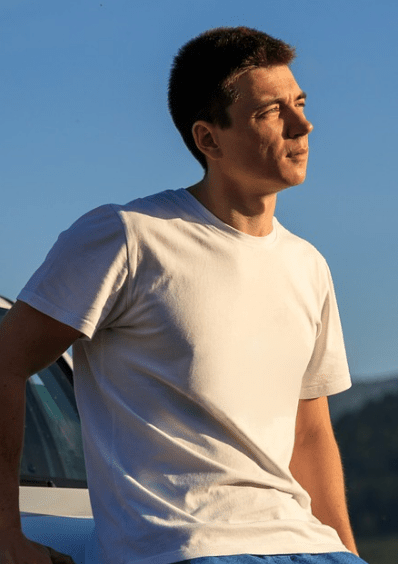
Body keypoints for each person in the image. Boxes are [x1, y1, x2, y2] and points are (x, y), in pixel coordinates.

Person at [0, 26, 365, 564]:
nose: (303, 125)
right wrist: (8, 538)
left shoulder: (308, 265)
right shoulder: (128, 236)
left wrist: (345, 552)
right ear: (208, 139)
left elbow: (309, 434)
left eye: (300, 103)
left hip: (307, 546)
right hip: (188, 547)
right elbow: (7, 363)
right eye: (271, 112)